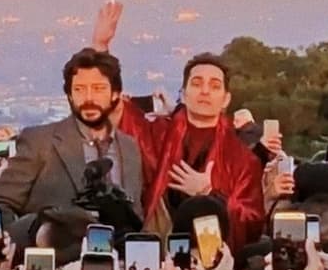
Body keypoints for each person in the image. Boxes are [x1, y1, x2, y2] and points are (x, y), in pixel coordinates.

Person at [109, 47, 265, 251]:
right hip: (156, 251)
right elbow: (116, 110)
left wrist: (211, 195)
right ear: (183, 94)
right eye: (197, 83)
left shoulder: (243, 159)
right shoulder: (157, 135)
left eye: (214, 86)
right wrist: (101, 45)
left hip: (214, 258)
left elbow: (252, 222)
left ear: (226, 99)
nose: (205, 91)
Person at [0, 48, 143, 222]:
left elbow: (136, 215)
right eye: (79, 89)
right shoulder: (39, 142)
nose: (88, 98)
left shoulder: (129, 148)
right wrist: (38, 231)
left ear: (115, 94)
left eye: (98, 89)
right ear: (69, 95)